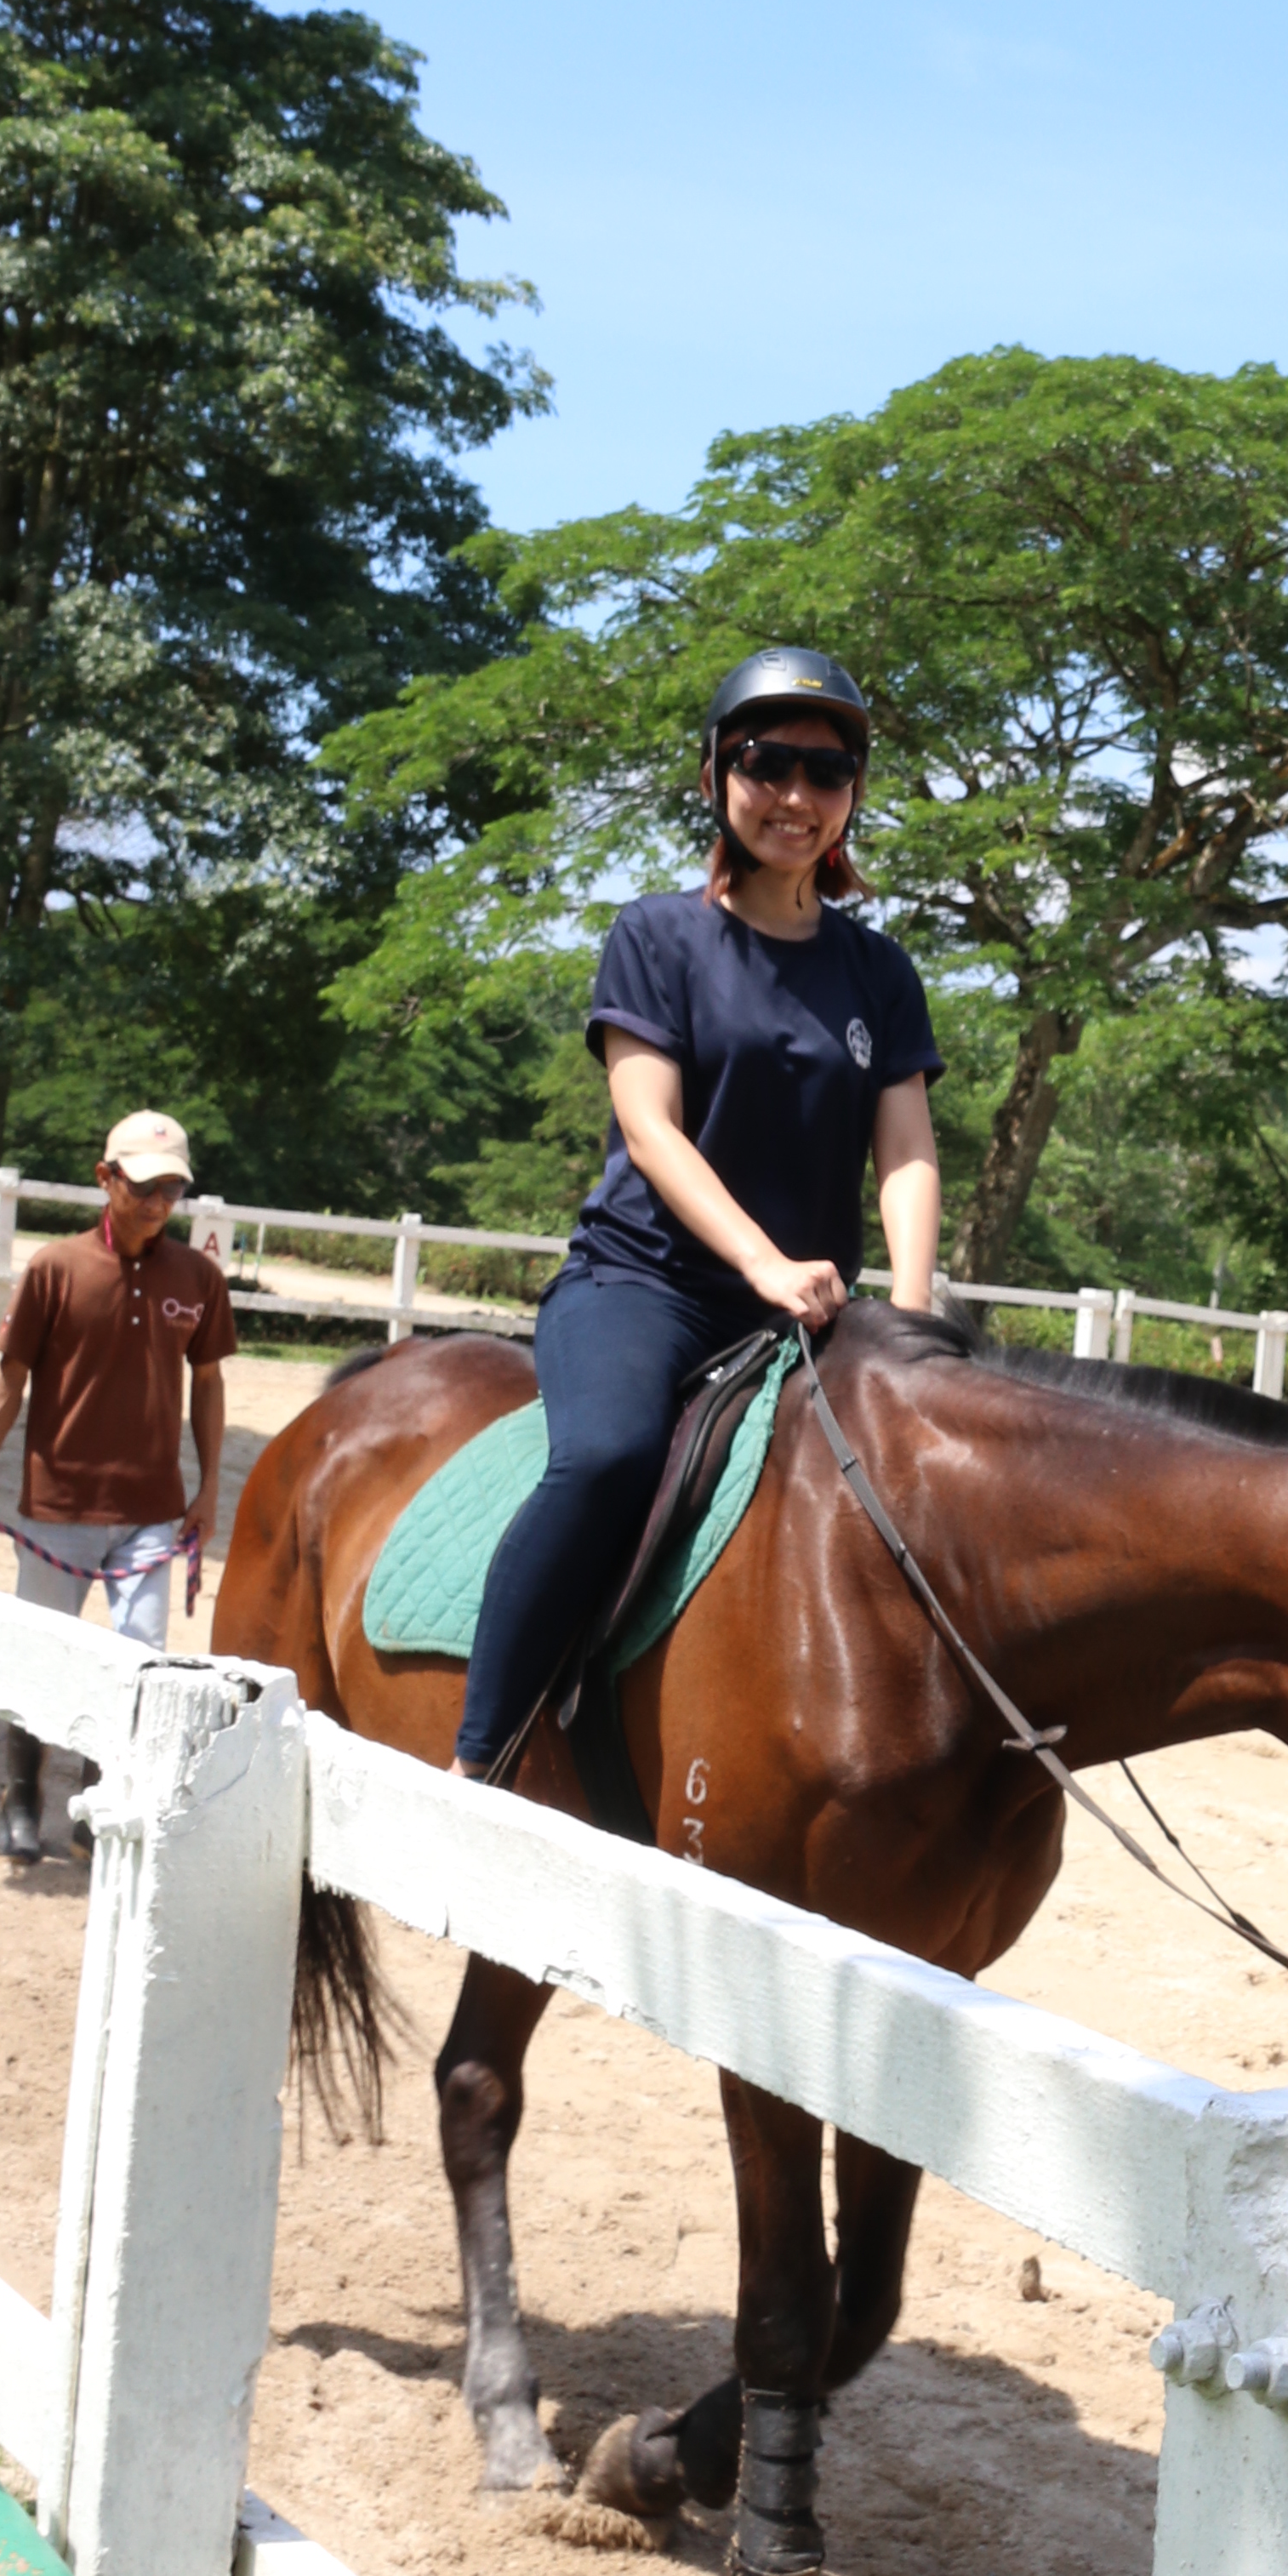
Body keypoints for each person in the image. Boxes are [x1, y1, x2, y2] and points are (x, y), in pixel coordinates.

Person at [453, 650, 944, 1787]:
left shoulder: (878, 972)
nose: (796, 797)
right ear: (720, 773)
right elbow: (652, 1128)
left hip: (809, 1313)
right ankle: (480, 1758)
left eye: (828, 772)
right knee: (611, 1455)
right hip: (648, 1288)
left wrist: (910, 1324)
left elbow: (907, 1150)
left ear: (855, 793)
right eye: (768, 764)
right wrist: (764, 1262)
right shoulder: (658, 936)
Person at [0, 1108, 234, 1861]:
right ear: (106, 1179)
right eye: (143, 1186)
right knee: (41, 1659)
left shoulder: (198, 1278)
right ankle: (23, 1792)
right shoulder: (54, 1269)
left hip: (151, 1511)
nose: (158, 1202)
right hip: (58, 1504)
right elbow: (8, 1381)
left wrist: (206, 1490)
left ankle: (93, 1800)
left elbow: (207, 1384)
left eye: (171, 1187)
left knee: (137, 1661)